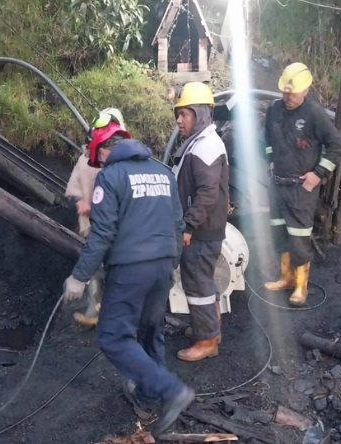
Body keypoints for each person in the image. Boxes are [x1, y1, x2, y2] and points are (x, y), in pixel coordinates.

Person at [62, 122, 194, 436]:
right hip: (163, 264)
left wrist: (79, 276)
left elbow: (103, 232)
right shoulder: (162, 172)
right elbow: (178, 223)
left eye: (98, 159)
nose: (99, 166)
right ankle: (149, 399)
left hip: (131, 267)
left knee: (112, 335)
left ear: (104, 150)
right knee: (150, 331)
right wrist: (170, 262)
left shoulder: (111, 175)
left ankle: (171, 389)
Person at [263, 62, 341, 306]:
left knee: (299, 238)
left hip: (301, 188)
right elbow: (267, 139)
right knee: (279, 234)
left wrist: (317, 174)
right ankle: (286, 278)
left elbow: (336, 146)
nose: (287, 97)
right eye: (285, 92)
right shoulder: (274, 111)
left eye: (293, 93)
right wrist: (270, 161)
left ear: (306, 90)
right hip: (278, 185)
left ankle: (300, 286)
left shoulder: (314, 114)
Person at [170, 82, 230, 362]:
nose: (179, 121)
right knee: (203, 281)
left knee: (197, 284)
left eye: (185, 114)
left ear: (200, 114)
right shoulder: (201, 142)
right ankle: (211, 330)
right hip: (205, 230)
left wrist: (188, 226)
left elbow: (207, 193)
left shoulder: (206, 146)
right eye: (178, 115)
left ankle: (206, 342)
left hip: (201, 232)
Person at [64, 108, 127, 326]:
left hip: (119, 228)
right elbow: (72, 188)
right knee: (95, 269)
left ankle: (111, 313)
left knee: (116, 268)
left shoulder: (125, 162)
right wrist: (80, 201)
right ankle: (95, 311)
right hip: (92, 226)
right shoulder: (85, 159)